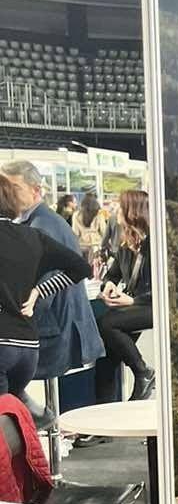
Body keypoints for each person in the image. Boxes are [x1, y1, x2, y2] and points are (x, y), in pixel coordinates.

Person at [0, 158, 103, 394]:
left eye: (14, 188)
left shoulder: (39, 226)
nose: (9, 194)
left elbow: (40, 295)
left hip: (54, 333)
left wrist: (31, 299)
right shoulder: (38, 224)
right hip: (52, 331)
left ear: (35, 190)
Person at [94, 188, 155, 402]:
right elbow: (111, 275)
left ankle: (142, 372)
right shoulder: (126, 245)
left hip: (153, 307)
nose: (116, 212)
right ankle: (104, 414)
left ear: (132, 211)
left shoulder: (156, 245)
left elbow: (163, 288)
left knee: (107, 323)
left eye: (120, 207)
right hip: (135, 305)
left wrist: (133, 300)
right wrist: (109, 285)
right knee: (105, 359)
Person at [72, 190, 108, 271]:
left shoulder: (76, 215)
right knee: (96, 271)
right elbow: (104, 231)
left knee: (82, 270)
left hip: (82, 246)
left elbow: (75, 233)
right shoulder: (99, 214)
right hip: (96, 247)